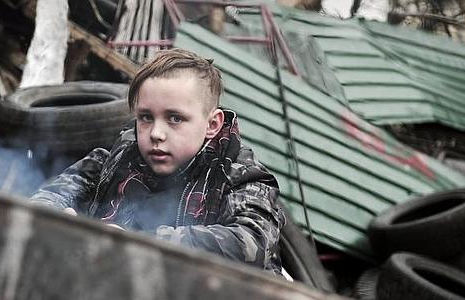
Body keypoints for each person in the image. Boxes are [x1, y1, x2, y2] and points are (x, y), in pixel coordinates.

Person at [30, 48, 285, 275]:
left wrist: (138, 244)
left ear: (212, 124)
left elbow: (250, 242)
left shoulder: (243, 179)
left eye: (175, 118)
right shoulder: (109, 163)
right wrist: (61, 222)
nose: (156, 134)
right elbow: (45, 200)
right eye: (146, 117)